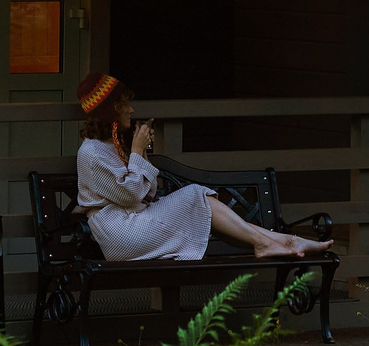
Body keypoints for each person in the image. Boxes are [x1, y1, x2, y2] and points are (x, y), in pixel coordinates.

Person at [73, 74, 333, 261]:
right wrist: (138, 151)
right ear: (111, 111)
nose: (131, 109)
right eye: (123, 105)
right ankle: (274, 241)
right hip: (120, 233)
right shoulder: (92, 152)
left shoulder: (114, 144)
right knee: (196, 196)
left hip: (135, 220)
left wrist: (140, 153)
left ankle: (279, 241)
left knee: (198, 196)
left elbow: (147, 192)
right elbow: (131, 195)